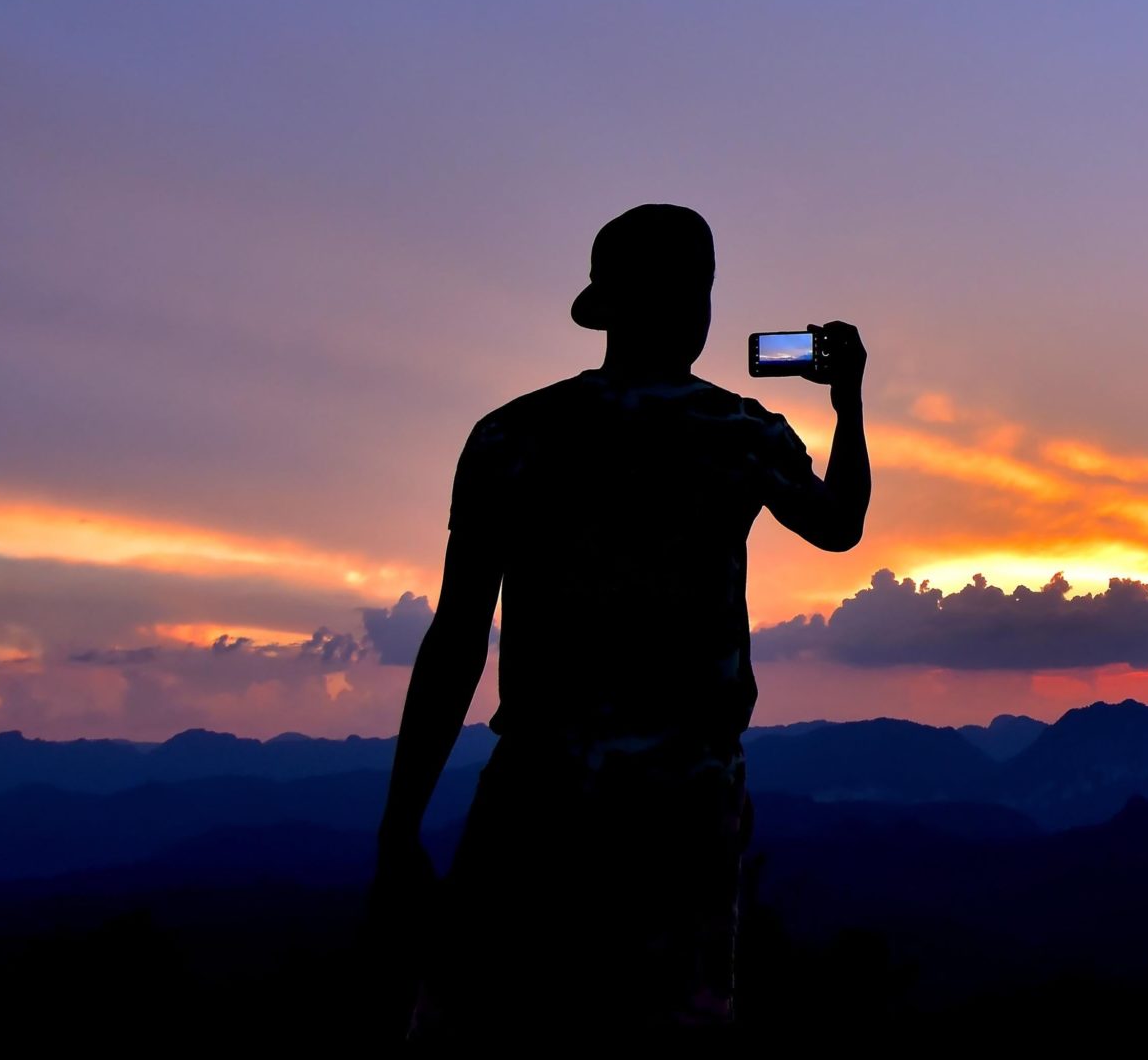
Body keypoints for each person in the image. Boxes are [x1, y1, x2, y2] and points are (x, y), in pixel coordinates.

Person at [372, 203, 870, 1037]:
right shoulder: (740, 432)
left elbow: (457, 637)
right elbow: (841, 524)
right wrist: (848, 402)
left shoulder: (511, 436)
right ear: (700, 308)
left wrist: (399, 826)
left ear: (606, 307)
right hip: (683, 809)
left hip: (535, 796)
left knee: (483, 1033)